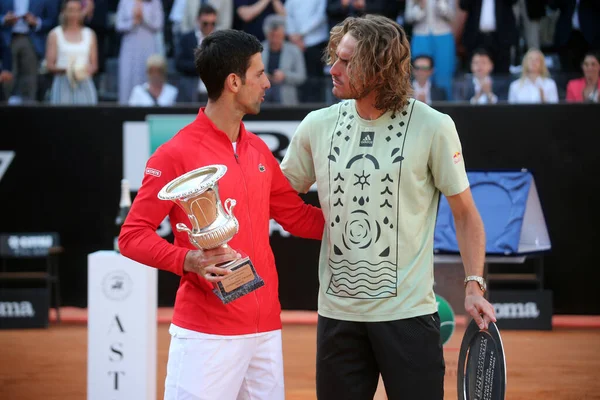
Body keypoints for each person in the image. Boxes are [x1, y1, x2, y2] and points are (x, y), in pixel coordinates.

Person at [280, 14, 496, 400]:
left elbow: (465, 214)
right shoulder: (316, 125)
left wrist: (474, 285)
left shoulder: (433, 125)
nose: (334, 68)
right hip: (337, 319)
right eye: (335, 57)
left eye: (347, 61)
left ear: (379, 67)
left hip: (409, 318)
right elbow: (276, 194)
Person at [118, 29, 325, 400]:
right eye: (259, 74)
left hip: (264, 332)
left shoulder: (259, 150)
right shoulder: (174, 153)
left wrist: (361, 225)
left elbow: (296, 217)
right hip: (206, 334)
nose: (267, 83)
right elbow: (132, 236)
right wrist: (189, 259)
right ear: (233, 82)